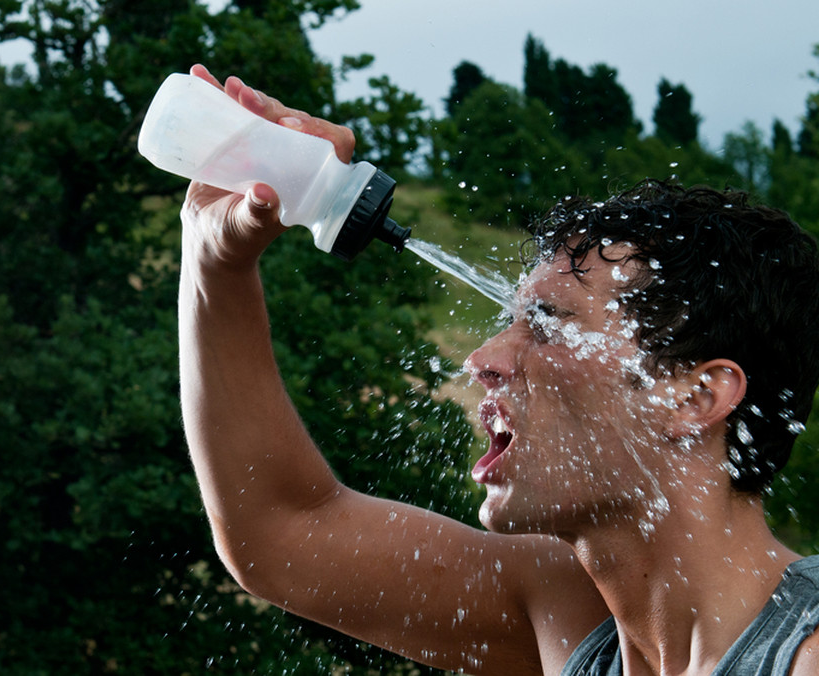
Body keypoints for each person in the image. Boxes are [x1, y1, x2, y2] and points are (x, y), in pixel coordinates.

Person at [177, 64, 819, 675]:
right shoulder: (569, 615)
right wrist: (215, 262)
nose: (481, 360)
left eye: (549, 325)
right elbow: (284, 531)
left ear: (695, 396)